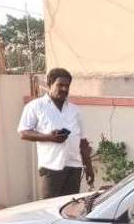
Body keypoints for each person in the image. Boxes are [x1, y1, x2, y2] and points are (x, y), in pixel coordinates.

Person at [18, 68, 94, 199]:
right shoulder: (36, 106)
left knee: (70, 208)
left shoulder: (74, 110)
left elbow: (82, 141)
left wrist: (89, 167)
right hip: (51, 168)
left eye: (67, 86)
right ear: (49, 84)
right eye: (60, 85)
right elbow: (23, 132)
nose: (64, 89)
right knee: (49, 209)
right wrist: (49, 137)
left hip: (74, 167)